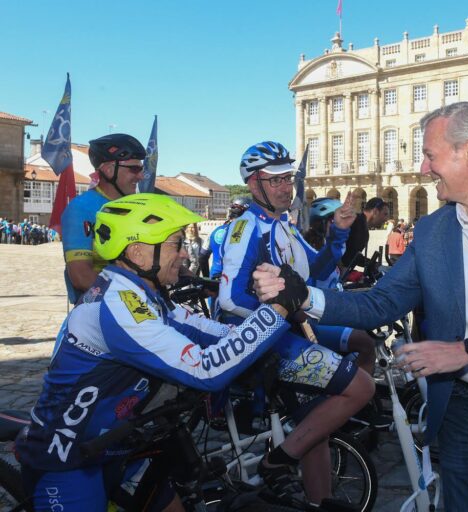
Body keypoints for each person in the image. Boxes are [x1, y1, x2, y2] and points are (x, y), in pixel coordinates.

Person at [253, 102, 468, 512]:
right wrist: (304, 298)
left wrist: (467, 351)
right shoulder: (433, 228)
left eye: (431, 155)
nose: (424, 168)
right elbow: (383, 301)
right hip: (464, 412)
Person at [17, 194, 293, 511]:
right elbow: (205, 370)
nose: (185, 254)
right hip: (67, 458)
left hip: (114, 444)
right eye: (176, 244)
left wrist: (262, 333)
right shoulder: (118, 305)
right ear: (138, 252)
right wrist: (276, 313)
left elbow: (208, 330)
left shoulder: (142, 294)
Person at [217, 141, 376, 501]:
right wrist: (281, 317)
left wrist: (337, 232)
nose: (286, 187)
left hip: (290, 330)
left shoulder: (283, 225)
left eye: (288, 178)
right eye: (275, 181)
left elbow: (316, 276)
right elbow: (229, 299)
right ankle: (277, 462)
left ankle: (318, 500)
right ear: (254, 184)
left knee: (314, 423)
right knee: (360, 387)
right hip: (270, 339)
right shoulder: (247, 228)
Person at [61, 133, 146, 303]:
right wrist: (132, 300)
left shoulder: (136, 206)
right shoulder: (81, 207)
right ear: (108, 169)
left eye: (141, 169)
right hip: (100, 309)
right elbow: (81, 275)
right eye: (134, 169)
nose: (141, 176)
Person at [202, 197, 250, 280]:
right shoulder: (250, 234)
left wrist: (206, 280)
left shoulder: (215, 231)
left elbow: (202, 256)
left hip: (215, 280)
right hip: (237, 282)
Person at [339, 197, 390, 271]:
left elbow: (354, 257)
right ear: (375, 212)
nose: (386, 219)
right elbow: (347, 257)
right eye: (385, 214)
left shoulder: (360, 224)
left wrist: (377, 266)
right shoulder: (356, 223)